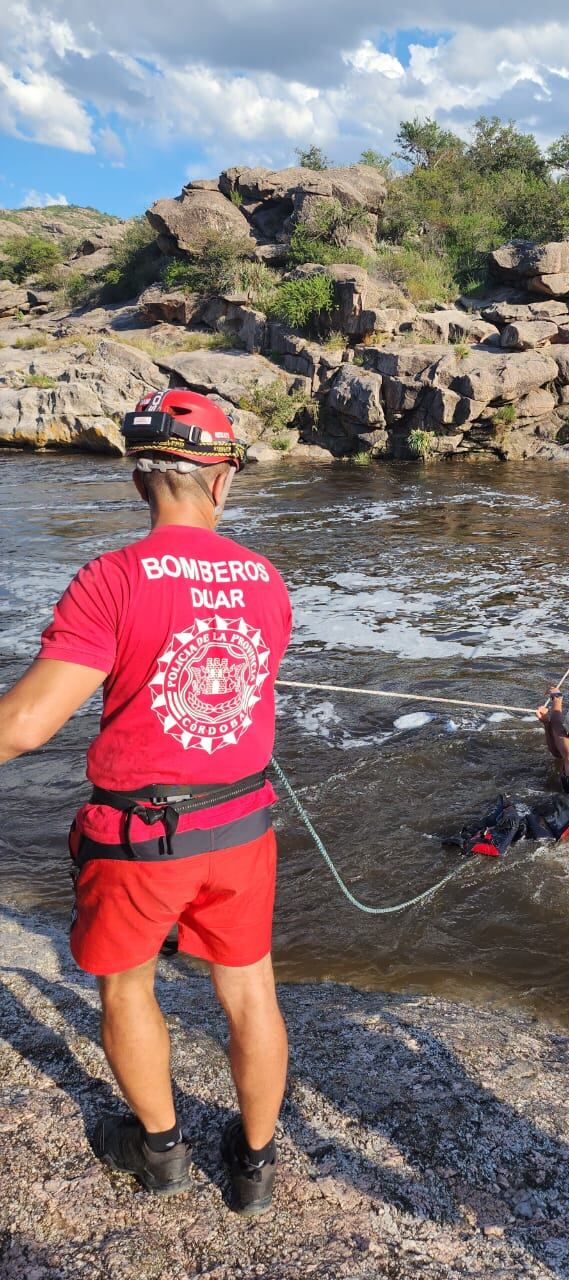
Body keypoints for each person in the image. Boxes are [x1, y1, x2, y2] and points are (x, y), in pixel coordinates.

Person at [0, 389, 292, 1215]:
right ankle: (254, 1166)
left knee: (129, 988)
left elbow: (22, 726)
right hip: (241, 828)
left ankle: (159, 1149)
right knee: (249, 992)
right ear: (222, 477)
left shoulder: (111, 579)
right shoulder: (267, 581)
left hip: (139, 841)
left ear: (141, 480)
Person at [451, 690, 569, 858]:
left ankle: (482, 843)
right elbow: (557, 750)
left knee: (519, 819)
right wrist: (546, 724)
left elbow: (559, 730)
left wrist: (557, 700)